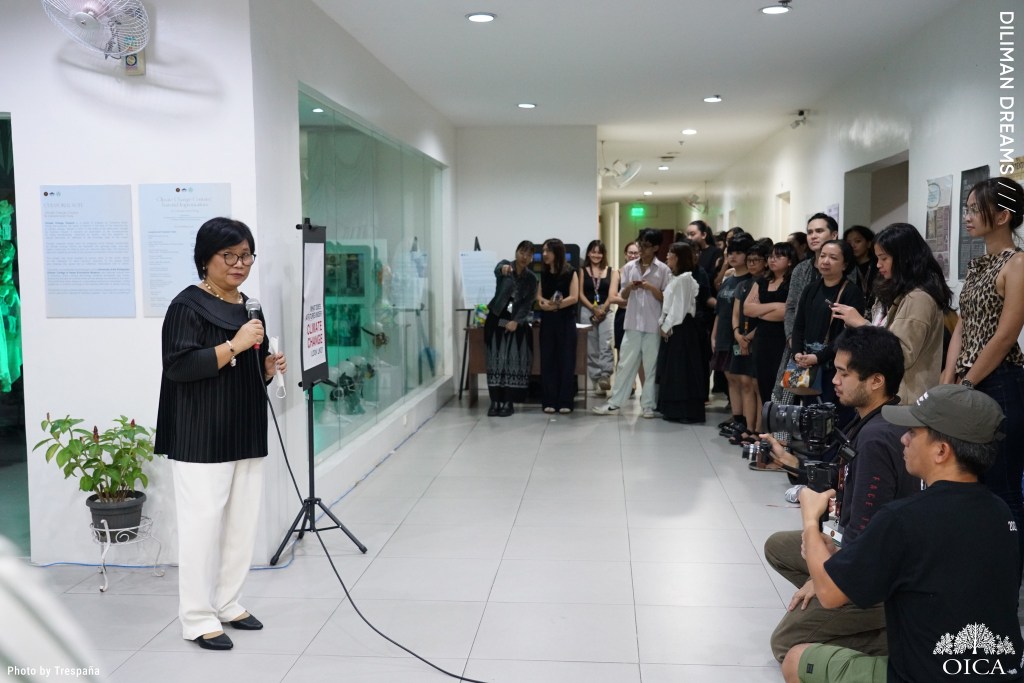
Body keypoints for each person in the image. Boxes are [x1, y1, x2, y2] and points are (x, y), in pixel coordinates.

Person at [782, 384, 1022, 683]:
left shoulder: (904, 518)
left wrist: (810, 519)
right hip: (1001, 672)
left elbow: (830, 594)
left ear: (941, 451)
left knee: (795, 658)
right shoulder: (1001, 512)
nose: (903, 439)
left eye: (913, 432)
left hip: (921, 676)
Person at [156, 217, 287, 651]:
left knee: (241, 524)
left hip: (244, 427)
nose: (239, 264)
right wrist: (234, 345)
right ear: (205, 259)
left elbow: (245, 368)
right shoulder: (187, 306)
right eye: (229, 255)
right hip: (201, 433)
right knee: (202, 526)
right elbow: (179, 366)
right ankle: (196, 618)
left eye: (246, 255)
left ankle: (228, 602)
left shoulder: (250, 307)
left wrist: (265, 368)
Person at [761, 325, 919, 659]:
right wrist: (789, 460)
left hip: (880, 575)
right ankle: (863, 618)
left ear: (876, 381)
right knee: (779, 547)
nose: (834, 380)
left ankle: (897, 636)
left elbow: (864, 540)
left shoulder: (876, 439)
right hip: (871, 552)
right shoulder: (878, 419)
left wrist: (821, 577)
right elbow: (843, 480)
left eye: (844, 373)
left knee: (785, 645)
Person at [942, 176, 1024, 568]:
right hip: (968, 384)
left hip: (1000, 382)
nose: (968, 216)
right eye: (967, 208)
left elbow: (1005, 336)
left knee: (1002, 487)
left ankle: (1009, 578)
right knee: (970, 481)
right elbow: (962, 325)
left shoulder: (1017, 263)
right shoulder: (979, 264)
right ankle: (978, 568)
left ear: (1003, 215)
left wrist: (969, 381)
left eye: (976, 209)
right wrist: (948, 377)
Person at [830, 223, 952, 404]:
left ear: (904, 258)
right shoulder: (895, 291)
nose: (878, 265)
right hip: (892, 397)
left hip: (907, 400)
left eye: (884, 258)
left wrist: (861, 324)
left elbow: (900, 354)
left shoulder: (918, 298)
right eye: (877, 258)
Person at [592, 228, 671, 418]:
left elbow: (666, 298)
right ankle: (615, 403)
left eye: (646, 246)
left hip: (653, 325)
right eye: (640, 244)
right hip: (632, 323)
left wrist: (650, 287)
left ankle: (648, 405)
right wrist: (629, 287)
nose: (641, 249)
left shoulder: (663, 269)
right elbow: (623, 296)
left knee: (650, 367)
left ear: (656, 248)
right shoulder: (629, 267)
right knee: (625, 365)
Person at [790, 239, 865, 417]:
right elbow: (799, 325)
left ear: (845, 264)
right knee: (810, 414)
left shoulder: (851, 292)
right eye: (822, 256)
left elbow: (848, 334)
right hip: (808, 365)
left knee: (833, 415)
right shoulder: (810, 289)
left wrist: (819, 357)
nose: (825, 261)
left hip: (835, 366)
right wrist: (797, 352)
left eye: (833, 257)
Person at [485, 240, 539, 417]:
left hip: (516, 323)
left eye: (529, 254)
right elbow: (497, 269)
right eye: (522, 252)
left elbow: (527, 303)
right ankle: (495, 401)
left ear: (532, 258)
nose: (525, 257)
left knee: (512, 361)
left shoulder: (532, 278)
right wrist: (504, 269)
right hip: (497, 319)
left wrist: (516, 321)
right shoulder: (505, 267)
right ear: (516, 252)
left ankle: (508, 401)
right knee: (495, 361)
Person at [655, 241, 708, 423]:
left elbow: (680, 308)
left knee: (682, 369)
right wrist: (662, 322)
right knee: (674, 369)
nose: (667, 256)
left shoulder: (685, 279)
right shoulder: (675, 278)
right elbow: (669, 305)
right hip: (675, 327)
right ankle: (673, 409)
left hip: (682, 328)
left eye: (670, 253)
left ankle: (685, 410)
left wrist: (665, 326)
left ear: (677, 257)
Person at [745, 241, 795, 417]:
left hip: (782, 338)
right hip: (762, 338)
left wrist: (761, 310)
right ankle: (766, 426)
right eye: (771, 256)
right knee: (762, 382)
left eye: (779, 256)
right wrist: (775, 306)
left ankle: (779, 426)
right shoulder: (762, 281)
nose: (773, 260)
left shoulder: (792, 282)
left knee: (780, 385)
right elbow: (747, 309)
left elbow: (786, 313)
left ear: (790, 261)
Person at [727, 242, 769, 444]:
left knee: (756, 384)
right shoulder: (742, 285)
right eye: (749, 260)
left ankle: (759, 429)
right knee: (744, 383)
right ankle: (747, 425)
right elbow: (736, 313)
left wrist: (749, 337)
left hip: (758, 338)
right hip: (740, 337)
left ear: (765, 262)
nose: (752, 264)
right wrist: (737, 334)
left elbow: (764, 316)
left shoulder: (767, 284)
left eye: (756, 260)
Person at [714, 234, 754, 438]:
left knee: (744, 380)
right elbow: (720, 311)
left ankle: (747, 422)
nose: (733, 256)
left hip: (740, 337)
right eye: (730, 252)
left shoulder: (750, 281)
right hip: (723, 334)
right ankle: (737, 417)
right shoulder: (728, 280)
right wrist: (714, 336)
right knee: (730, 377)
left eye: (738, 252)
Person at [537, 238, 579, 413]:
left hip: (565, 321)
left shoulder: (570, 272)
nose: (544, 254)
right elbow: (539, 296)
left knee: (566, 360)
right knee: (548, 360)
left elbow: (574, 297)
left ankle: (565, 401)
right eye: (543, 251)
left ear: (557, 252)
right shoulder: (544, 272)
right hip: (548, 322)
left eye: (548, 251)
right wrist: (543, 303)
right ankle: (549, 400)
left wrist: (555, 306)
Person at [579, 239, 618, 396]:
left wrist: (603, 308)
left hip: (606, 311)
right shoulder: (582, 271)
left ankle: (605, 376)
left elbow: (612, 294)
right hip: (587, 310)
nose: (596, 255)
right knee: (591, 347)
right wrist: (593, 308)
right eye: (593, 252)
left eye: (599, 252)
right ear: (588, 253)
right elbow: (580, 294)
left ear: (604, 254)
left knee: (606, 343)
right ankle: (596, 381)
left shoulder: (612, 271)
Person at [843, 225, 878, 305]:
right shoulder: (846, 267)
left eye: (857, 241)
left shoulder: (878, 265)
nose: (853, 246)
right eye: (849, 243)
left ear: (869, 243)